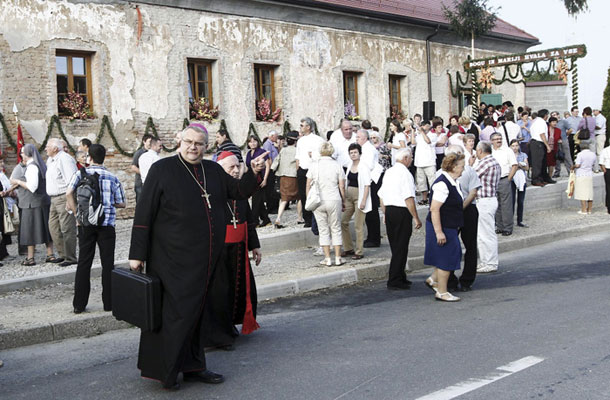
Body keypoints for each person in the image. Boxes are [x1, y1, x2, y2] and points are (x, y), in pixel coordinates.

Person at [128, 123, 267, 390]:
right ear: (180, 141)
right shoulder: (162, 170)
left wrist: (253, 172)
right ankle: (166, 371)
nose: (193, 147)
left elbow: (238, 192)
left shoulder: (213, 170)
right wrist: (137, 254)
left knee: (198, 314)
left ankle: (193, 366)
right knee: (175, 315)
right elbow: (144, 213)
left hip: (205, 259)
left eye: (199, 144)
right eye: (189, 142)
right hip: (170, 259)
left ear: (206, 146)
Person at [203, 151, 261, 350]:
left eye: (238, 167)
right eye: (231, 168)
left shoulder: (240, 191)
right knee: (220, 293)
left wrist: (255, 245)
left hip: (238, 249)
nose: (236, 171)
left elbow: (248, 220)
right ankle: (219, 333)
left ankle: (230, 326)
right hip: (219, 251)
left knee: (238, 290)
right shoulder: (212, 190)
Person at [66, 144, 125, 314]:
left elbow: (68, 192)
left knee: (84, 263)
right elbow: (122, 203)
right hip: (106, 225)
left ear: (89, 158)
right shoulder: (113, 177)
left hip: (85, 224)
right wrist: (107, 203)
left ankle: (79, 304)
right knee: (108, 264)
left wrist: (78, 213)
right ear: (104, 157)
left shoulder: (80, 174)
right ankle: (109, 303)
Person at [423, 152, 465, 302]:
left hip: (449, 225)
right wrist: (439, 232)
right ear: (453, 167)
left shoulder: (453, 181)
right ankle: (442, 291)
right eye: (461, 166)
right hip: (442, 226)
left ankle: (433, 280)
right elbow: (434, 209)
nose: (463, 169)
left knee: (448, 255)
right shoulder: (442, 184)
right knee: (447, 258)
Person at [378, 148, 422, 290]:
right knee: (401, 246)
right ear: (405, 159)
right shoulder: (405, 174)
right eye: (410, 158)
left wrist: (385, 213)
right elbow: (408, 197)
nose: (412, 160)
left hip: (390, 210)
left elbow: (382, 195)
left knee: (395, 245)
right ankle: (395, 278)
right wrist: (416, 217)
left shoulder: (389, 172)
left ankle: (400, 275)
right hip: (401, 210)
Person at [10, 144, 60, 266]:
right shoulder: (41, 165)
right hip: (43, 201)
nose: (21, 154)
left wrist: (18, 181)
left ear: (27, 154)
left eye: (22, 152)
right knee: (45, 228)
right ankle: (50, 254)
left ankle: (30, 258)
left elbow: (32, 187)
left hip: (31, 203)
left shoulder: (32, 167)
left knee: (30, 230)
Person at [446, 145, 480, 292]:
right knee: (451, 246)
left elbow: (473, 192)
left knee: (470, 245)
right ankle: (449, 279)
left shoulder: (469, 171)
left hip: (467, 209)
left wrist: (460, 208)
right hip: (451, 211)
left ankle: (467, 279)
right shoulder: (442, 173)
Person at [307, 142, 346, 266]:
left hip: (319, 199)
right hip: (334, 198)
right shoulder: (337, 165)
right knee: (336, 228)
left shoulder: (314, 165)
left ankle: (327, 258)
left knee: (323, 229)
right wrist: (343, 200)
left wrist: (309, 197)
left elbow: (308, 184)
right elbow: (342, 186)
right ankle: (338, 257)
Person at [44, 138, 78, 267]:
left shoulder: (64, 159)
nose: (46, 148)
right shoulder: (50, 160)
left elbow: (72, 179)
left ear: (55, 148)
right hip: (53, 198)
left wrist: (71, 200)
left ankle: (70, 257)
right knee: (53, 227)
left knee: (67, 228)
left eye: (48, 146)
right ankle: (62, 254)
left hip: (64, 196)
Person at [340, 143, 371, 260]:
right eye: (351, 153)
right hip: (348, 195)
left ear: (359, 153)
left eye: (355, 152)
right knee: (343, 221)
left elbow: (367, 185)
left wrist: (363, 200)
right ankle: (348, 247)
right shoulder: (349, 166)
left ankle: (359, 251)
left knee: (359, 225)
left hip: (359, 195)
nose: (353, 155)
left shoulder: (364, 166)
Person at [474, 141, 501, 273]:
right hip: (488, 198)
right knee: (482, 233)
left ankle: (490, 262)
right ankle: (485, 261)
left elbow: (472, 176)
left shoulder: (485, 163)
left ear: (480, 151)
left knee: (486, 233)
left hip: (485, 200)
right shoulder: (494, 161)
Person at [295, 117, 324, 227]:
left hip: (313, 169)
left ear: (308, 127)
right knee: (303, 195)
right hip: (302, 170)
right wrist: (298, 169)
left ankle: (316, 218)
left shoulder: (318, 140)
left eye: (302, 125)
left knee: (315, 194)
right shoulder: (300, 140)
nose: (301, 127)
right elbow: (298, 156)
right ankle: (307, 218)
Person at [272, 131, 301, 228]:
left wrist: (272, 170)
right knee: (299, 197)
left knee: (283, 198)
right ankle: (299, 218)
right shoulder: (297, 150)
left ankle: (278, 219)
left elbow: (276, 161)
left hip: (283, 176)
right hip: (293, 176)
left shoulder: (283, 150)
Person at [491, 132, 517, 236]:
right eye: (496, 139)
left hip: (504, 179)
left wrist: (509, 179)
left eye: (500, 138)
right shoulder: (490, 151)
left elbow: (514, 165)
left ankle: (508, 227)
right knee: (496, 205)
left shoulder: (507, 150)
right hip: (492, 180)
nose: (499, 140)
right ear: (491, 141)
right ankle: (500, 226)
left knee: (506, 205)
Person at [246, 135, 272, 227]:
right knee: (259, 200)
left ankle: (254, 221)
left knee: (256, 200)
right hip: (252, 178)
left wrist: (265, 179)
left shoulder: (262, 152)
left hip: (261, 177)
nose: (252, 143)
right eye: (250, 142)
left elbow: (268, 165)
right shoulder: (249, 153)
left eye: (254, 141)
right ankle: (266, 219)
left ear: (258, 142)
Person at [412, 121, 436, 205]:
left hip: (429, 162)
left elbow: (428, 141)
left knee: (432, 181)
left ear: (428, 126)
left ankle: (434, 199)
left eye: (424, 126)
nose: (422, 127)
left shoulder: (433, 135)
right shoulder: (418, 135)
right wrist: (412, 131)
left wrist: (422, 132)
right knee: (421, 182)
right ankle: (424, 199)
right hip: (419, 162)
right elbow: (413, 143)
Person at [529, 109, 553, 186]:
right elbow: (542, 134)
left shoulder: (535, 121)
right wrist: (547, 145)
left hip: (535, 142)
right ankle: (536, 179)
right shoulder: (541, 122)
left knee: (542, 162)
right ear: (545, 115)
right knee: (538, 163)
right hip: (538, 142)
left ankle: (542, 178)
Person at [572, 141, 597, 215]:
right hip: (589, 174)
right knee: (589, 193)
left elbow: (578, 165)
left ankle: (583, 209)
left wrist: (572, 167)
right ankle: (589, 209)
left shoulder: (580, 154)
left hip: (581, 174)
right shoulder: (593, 154)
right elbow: (594, 164)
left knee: (582, 193)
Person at [510, 139, 529, 228]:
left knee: (520, 201)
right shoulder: (509, 155)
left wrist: (520, 165)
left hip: (521, 179)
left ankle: (519, 220)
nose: (515, 148)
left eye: (516, 145)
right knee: (511, 201)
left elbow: (527, 167)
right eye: (513, 146)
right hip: (512, 179)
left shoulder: (523, 155)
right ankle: (510, 220)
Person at [131, 134, 153, 204]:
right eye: (149, 141)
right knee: (140, 202)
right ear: (144, 142)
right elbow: (133, 167)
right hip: (140, 182)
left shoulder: (152, 153)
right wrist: (144, 173)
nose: (151, 143)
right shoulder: (139, 153)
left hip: (149, 182)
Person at [262, 130, 280, 214]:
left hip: (274, 168)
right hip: (271, 169)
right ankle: (271, 207)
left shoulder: (273, 144)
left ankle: (275, 206)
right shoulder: (267, 144)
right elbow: (267, 157)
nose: (277, 138)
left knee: (274, 188)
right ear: (272, 136)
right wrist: (271, 169)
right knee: (270, 189)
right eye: (276, 136)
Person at [577, 107, 598, 172]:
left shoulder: (583, 119)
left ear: (585, 113)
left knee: (584, 153)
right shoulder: (594, 119)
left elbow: (578, 127)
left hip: (585, 137)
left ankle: (585, 166)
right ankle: (596, 168)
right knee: (593, 153)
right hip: (592, 137)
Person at [600, 143, 610, 214]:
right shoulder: (605, 150)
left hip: (607, 170)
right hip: (607, 169)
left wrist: (604, 171)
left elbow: (601, 163)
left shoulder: (605, 150)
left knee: (608, 189)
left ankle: (609, 207)